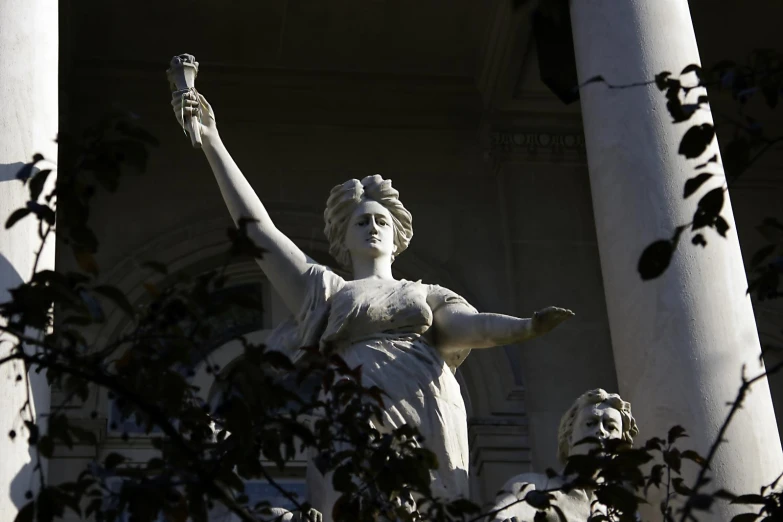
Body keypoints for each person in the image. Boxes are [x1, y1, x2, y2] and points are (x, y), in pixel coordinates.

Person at [171, 90, 574, 521]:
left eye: (381, 220)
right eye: (361, 221)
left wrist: (525, 326)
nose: (373, 227)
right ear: (342, 236)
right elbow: (259, 232)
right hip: (354, 406)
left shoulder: (426, 294)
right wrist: (213, 142)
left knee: (429, 505)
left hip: (429, 401)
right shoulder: (324, 289)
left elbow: (471, 325)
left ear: (398, 234)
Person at [489, 389, 638, 522]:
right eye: (590, 423)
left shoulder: (623, 514)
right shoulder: (530, 488)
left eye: (610, 427)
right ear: (570, 437)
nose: (601, 431)